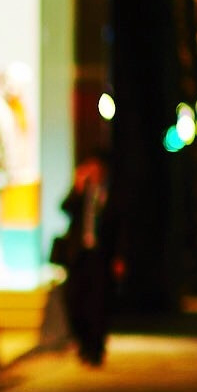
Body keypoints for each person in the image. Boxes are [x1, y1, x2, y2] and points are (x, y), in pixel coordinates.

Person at [57, 157, 114, 366]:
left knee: (97, 302)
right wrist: (77, 187)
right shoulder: (82, 193)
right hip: (79, 255)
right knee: (74, 299)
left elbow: (119, 224)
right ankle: (83, 343)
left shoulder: (109, 193)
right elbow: (64, 208)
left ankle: (96, 348)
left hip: (100, 256)